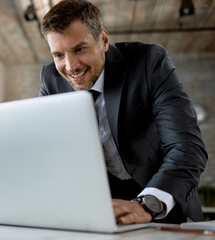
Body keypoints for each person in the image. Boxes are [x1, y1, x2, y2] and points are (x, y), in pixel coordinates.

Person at [39, 0, 207, 224]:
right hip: (103, 209)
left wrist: (149, 204)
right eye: (58, 55)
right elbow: (46, 152)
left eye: (79, 49)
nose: (70, 66)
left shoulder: (148, 62)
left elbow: (187, 148)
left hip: (162, 201)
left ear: (104, 40)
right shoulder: (51, 79)